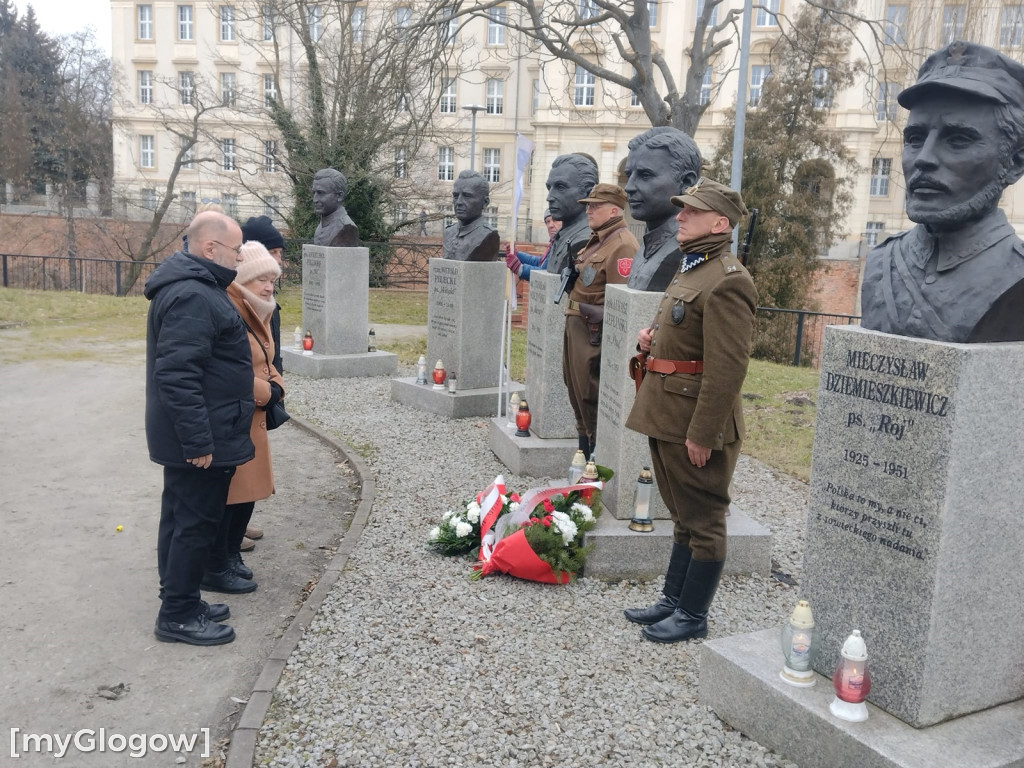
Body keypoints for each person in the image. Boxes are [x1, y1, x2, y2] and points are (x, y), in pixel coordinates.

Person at [623, 178, 757, 644]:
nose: (679, 216)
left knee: (704, 518)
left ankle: (694, 615)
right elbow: (686, 332)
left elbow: (728, 368)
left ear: (719, 223)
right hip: (667, 411)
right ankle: (672, 601)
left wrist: (704, 433)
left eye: (691, 212)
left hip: (695, 421)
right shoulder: (692, 269)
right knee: (681, 515)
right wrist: (651, 339)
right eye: (681, 210)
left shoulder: (728, 280)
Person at [860, 41, 1024, 343]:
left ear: (1014, 163)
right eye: (915, 138)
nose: (923, 158)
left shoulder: (1017, 276)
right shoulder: (881, 262)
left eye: (958, 139)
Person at [145, 211, 254, 646]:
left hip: (201, 430)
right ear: (211, 249)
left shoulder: (198, 287)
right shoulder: (193, 295)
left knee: (179, 517)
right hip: (200, 436)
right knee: (193, 523)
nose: (241, 256)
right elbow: (177, 374)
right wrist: (198, 441)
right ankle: (177, 615)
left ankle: (181, 597)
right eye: (236, 249)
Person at [202, 242, 285, 594]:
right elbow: (227, 369)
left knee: (248, 493)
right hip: (238, 413)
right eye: (261, 279)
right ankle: (217, 563)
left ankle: (231, 555)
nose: (268, 287)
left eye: (272, 280)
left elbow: (268, 360)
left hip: (253, 416)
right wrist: (269, 392)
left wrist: (277, 384)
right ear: (242, 279)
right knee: (232, 494)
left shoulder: (259, 308)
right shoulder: (231, 309)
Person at [562, 183, 638, 459]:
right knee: (576, 392)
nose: (588, 210)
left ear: (614, 210)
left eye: (596, 206)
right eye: (588, 205)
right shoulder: (598, 239)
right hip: (577, 326)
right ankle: (583, 456)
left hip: (593, 333)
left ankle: (594, 459)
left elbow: (619, 306)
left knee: (589, 396)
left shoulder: (623, 244)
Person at [239, 215, 286, 549]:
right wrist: (267, 390)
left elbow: (270, 350)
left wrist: (277, 383)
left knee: (252, 463)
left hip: (264, 389)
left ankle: (238, 525)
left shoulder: (265, 297)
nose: (279, 260)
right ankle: (229, 536)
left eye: (279, 254)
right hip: (250, 395)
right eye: (272, 252)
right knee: (241, 466)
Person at [623, 126, 703, 292]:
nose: (629, 187)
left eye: (645, 175)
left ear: (686, 182)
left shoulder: (686, 252)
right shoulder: (645, 248)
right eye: (628, 175)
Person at [545, 154, 598, 278]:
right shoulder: (561, 236)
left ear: (588, 192)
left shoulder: (586, 240)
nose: (549, 197)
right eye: (549, 188)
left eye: (560, 187)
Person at [442, 170, 501, 261]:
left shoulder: (489, 235)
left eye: (467, 196)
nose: (459, 202)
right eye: (456, 196)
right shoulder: (449, 232)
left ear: (485, 202)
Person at [504, 209, 562, 281]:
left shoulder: (564, 245)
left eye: (555, 220)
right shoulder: (555, 243)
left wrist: (520, 268)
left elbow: (545, 273)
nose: (550, 225)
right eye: (547, 221)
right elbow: (540, 262)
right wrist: (518, 255)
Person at [312, 168, 359, 247]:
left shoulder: (347, 227)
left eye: (321, 193)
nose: (315, 199)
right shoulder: (320, 226)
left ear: (339, 196)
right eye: (314, 193)